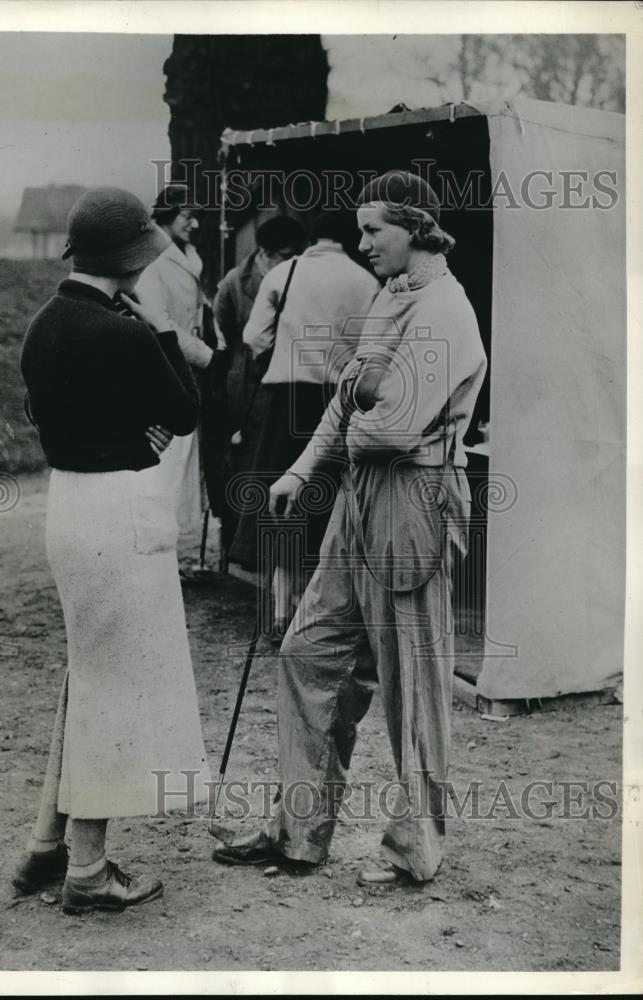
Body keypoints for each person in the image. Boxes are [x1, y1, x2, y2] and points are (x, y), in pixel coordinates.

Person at [212, 171, 487, 886]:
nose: (362, 244)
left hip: (413, 501)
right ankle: (297, 833)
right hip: (355, 500)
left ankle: (414, 848)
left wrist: (366, 410)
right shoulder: (387, 297)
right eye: (361, 230)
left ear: (417, 229)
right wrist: (302, 470)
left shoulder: (444, 310)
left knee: (410, 682)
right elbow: (347, 403)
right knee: (306, 653)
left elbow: (392, 429)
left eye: (374, 231)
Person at [14, 187, 211, 914]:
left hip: (67, 505)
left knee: (89, 676)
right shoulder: (125, 331)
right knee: (116, 689)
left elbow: (51, 415)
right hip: (122, 514)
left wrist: (128, 430)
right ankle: (89, 870)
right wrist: (159, 329)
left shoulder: (42, 325)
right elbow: (184, 412)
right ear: (132, 257)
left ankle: (45, 843)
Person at [228, 210, 379, 643]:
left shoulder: (283, 273)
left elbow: (254, 337)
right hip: (339, 403)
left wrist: (284, 352)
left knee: (284, 508)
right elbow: (374, 348)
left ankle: (280, 614)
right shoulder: (366, 281)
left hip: (287, 398)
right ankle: (327, 615)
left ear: (312, 240)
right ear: (347, 240)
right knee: (330, 504)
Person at [135, 183, 227, 539]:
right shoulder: (153, 257)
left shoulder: (187, 254)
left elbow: (202, 308)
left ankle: (170, 549)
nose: (195, 224)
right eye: (189, 216)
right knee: (166, 458)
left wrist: (217, 343)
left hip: (186, 367)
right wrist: (207, 356)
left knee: (184, 458)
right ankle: (154, 545)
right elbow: (159, 320)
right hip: (163, 366)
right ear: (168, 215)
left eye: (197, 217)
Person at [214, 215, 305, 552]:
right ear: (265, 252)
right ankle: (239, 546)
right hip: (247, 387)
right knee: (244, 466)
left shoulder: (300, 278)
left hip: (283, 384)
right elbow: (222, 333)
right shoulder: (235, 282)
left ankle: (275, 545)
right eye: (284, 254)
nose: (291, 261)